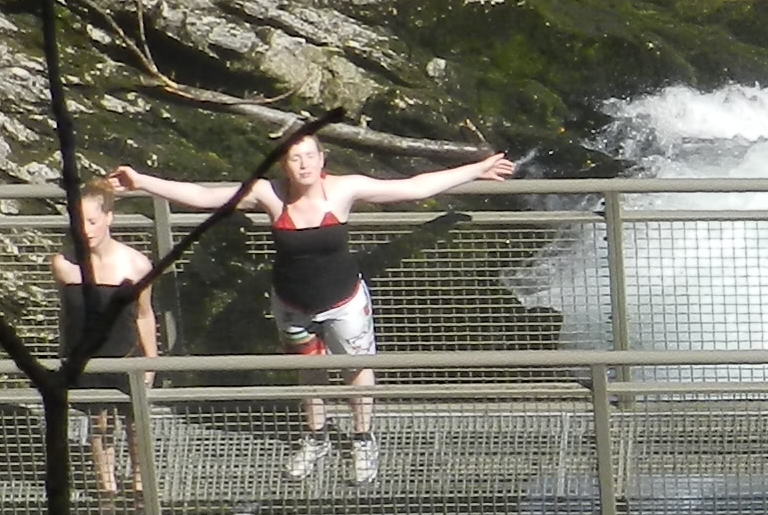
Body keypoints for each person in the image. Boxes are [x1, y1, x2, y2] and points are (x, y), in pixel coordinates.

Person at [111, 135, 517, 485]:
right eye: (294, 157)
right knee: (309, 374)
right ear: (283, 164)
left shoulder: (343, 189)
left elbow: (412, 188)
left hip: (344, 303)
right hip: (293, 306)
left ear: (322, 160)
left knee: (356, 370)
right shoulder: (267, 194)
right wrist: (140, 181)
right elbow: (203, 198)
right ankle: (316, 435)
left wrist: (474, 170)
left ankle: (361, 438)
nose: (303, 164)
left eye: (309, 155)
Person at [51, 178, 160, 500]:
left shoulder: (136, 265)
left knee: (134, 424)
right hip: (86, 356)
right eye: (79, 222)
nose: (85, 229)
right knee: (98, 426)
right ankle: (107, 488)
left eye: (93, 221)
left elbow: (143, 314)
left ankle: (141, 485)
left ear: (109, 218)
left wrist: (151, 362)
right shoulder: (63, 265)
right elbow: (68, 315)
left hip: (126, 353)